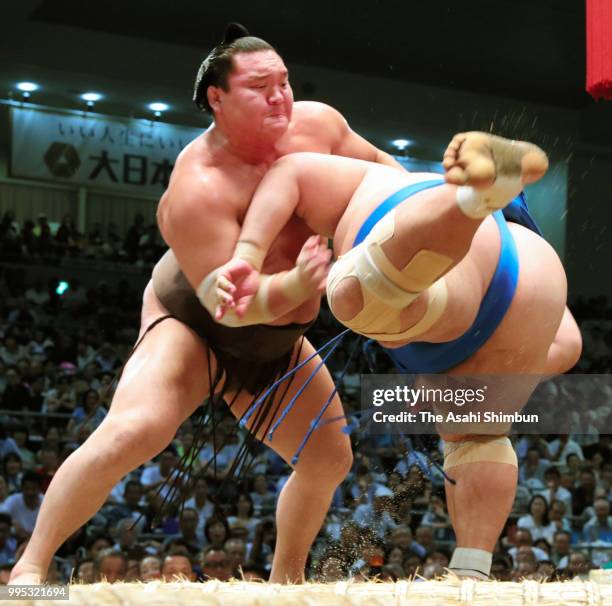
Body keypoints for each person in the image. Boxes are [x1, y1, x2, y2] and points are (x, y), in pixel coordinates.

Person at [8, 23, 405, 586]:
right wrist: (298, 286)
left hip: (277, 342)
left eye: (285, 82)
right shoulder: (197, 188)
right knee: (136, 430)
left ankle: (284, 583)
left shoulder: (318, 124)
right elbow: (233, 306)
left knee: (329, 457)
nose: (280, 97)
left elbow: (384, 175)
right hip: (195, 324)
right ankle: (31, 567)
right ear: (216, 99)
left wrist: (439, 205)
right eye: (260, 86)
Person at [214, 131, 582, 579]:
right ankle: (471, 572)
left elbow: (288, 172)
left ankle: (468, 203)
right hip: (539, 273)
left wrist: (247, 255)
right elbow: (567, 345)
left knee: (358, 300)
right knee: (477, 436)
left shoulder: (368, 177)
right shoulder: (370, 176)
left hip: (433, 231)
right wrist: (466, 387)